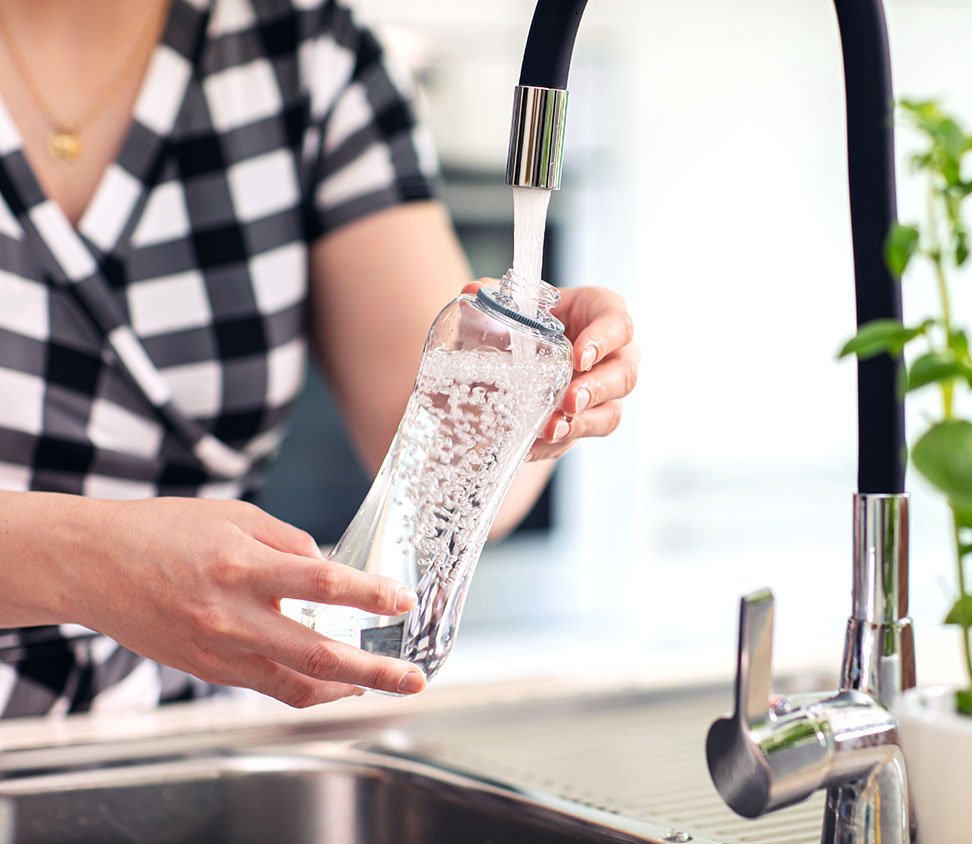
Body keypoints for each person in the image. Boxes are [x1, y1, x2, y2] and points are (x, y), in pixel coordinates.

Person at [0, 0, 639, 717]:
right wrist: (89, 565)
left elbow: (437, 478)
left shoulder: (308, 58)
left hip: (170, 739)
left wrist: (528, 403)